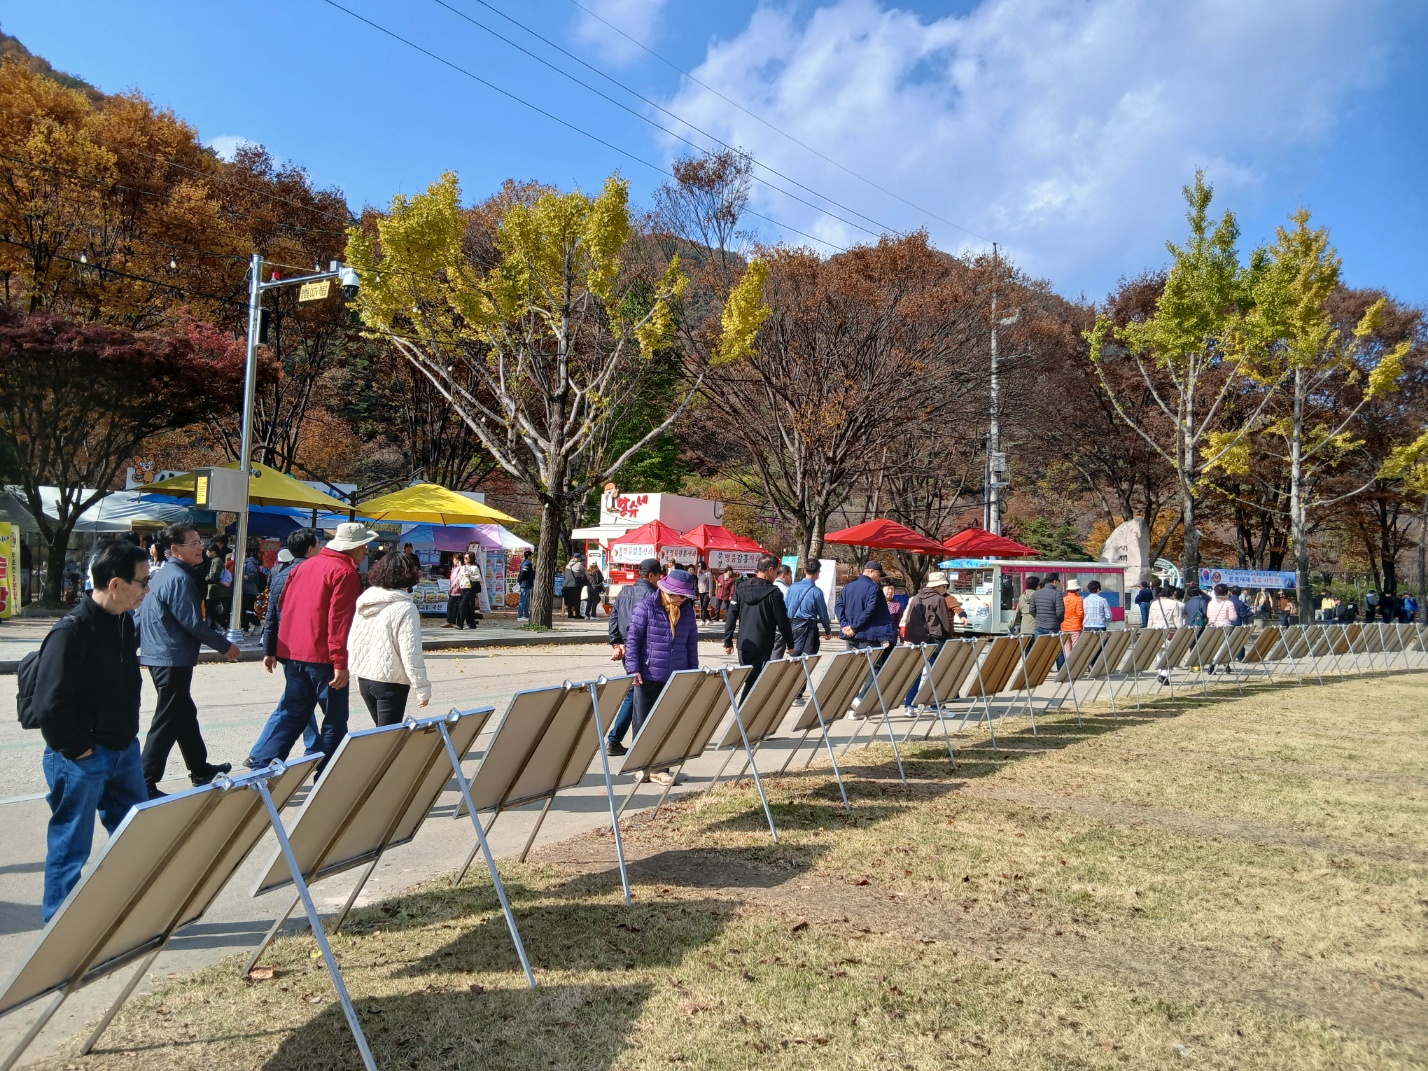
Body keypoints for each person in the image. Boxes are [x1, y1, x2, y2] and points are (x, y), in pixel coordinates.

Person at [33, 541, 151, 922]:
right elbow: (49, 705)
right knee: (70, 849)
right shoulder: (71, 631)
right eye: (143, 581)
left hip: (123, 751)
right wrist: (80, 749)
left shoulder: (123, 622)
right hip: (81, 757)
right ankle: (59, 931)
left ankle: (127, 918)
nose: (147, 589)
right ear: (115, 584)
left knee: (134, 839)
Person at [248, 521, 373, 773]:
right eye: (364, 545)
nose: (366, 550)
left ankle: (262, 766)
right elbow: (339, 622)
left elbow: (282, 606)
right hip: (323, 656)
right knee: (335, 718)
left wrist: (274, 648)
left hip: (294, 653)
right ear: (352, 546)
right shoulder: (344, 573)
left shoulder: (304, 566)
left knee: (293, 713)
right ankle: (327, 773)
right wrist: (341, 662)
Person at [137, 523, 239, 799]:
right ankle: (144, 781)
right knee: (168, 718)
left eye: (199, 542)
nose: (200, 547)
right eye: (193, 543)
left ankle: (199, 768)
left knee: (182, 712)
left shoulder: (164, 574)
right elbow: (192, 622)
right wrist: (225, 645)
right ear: (175, 549)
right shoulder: (179, 578)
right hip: (170, 657)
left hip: (163, 654)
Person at [246, 529, 323, 768]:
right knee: (295, 706)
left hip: (287, 648)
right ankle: (263, 754)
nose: (321, 548)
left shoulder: (280, 575)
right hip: (309, 649)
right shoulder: (314, 573)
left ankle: (263, 753)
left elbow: (271, 618)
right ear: (310, 549)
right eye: (318, 544)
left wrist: (269, 651)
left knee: (295, 703)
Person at [623, 568, 699, 785]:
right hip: (648, 675)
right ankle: (640, 767)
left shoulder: (686, 611)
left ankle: (660, 769)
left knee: (668, 724)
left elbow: (691, 644)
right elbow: (633, 640)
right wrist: (633, 669)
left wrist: (692, 672)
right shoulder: (646, 607)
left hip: (676, 676)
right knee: (643, 723)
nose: (683, 600)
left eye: (685, 597)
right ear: (668, 591)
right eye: (680, 596)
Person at [349, 552, 432, 726]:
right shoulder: (406, 608)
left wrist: (357, 674)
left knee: (381, 733)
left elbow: (355, 640)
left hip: (365, 678)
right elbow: (411, 652)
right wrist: (422, 688)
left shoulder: (365, 600)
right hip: (390, 682)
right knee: (388, 735)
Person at [605, 558, 662, 756]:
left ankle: (615, 740)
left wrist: (617, 642)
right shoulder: (653, 595)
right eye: (659, 576)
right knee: (642, 694)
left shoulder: (624, 591)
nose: (660, 579)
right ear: (652, 575)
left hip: (627, 649)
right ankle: (637, 744)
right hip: (645, 650)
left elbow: (613, 618)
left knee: (634, 691)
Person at [723, 554, 795, 700]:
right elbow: (782, 621)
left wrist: (728, 640)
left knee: (750, 679)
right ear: (770, 570)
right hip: (762, 644)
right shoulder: (774, 593)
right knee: (754, 683)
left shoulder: (741, 588)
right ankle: (744, 710)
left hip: (743, 644)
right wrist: (790, 643)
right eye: (776, 571)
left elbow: (731, 615)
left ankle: (745, 710)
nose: (776, 575)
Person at [834, 561, 897, 687]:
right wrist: (854, 627)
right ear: (871, 571)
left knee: (852, 667)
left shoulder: (848, 587)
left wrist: (845, 625)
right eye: (879, 575)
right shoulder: (874, 588)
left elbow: (839, 606)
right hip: (868, 634)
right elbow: (869, 611)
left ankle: (849, 694)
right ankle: (864, 695)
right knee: (874, 666)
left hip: (850, 635)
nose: (879, 578)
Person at [901, 571, 954, 711]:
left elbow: (910, 620)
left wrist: (909, 638)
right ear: (940, 586)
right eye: (944, 586)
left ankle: (910, 705)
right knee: (937, 672)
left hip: (916, 639)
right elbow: (945, 622)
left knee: (916, 672)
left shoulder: (916, 598)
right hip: (935, 639)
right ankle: (935, 704)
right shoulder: (938, 599)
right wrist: (949, 638)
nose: (944, 589)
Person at [1033, 572, 1066, 667]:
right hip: (1053, 626)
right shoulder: (1057, 594)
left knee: (1039, 650)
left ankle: (1039, 671)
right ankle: (1061, 671)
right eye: (1058, 581)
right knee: (1058, 650)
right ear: (1055, 581)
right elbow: (1060, 612)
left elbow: (1032, 610)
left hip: (1039, 626)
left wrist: (1039, 618)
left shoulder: (1036, 594)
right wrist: (1058, 621)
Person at [771, 564, 794, 659]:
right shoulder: (787, 591)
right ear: (784, 575)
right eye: (790, 575)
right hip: (780, 629)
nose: (791, 578)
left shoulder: (770, 587)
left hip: (767, 628)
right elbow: (790, 612)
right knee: (775, 657)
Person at [204, 543, 229, 629]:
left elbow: (214, 575)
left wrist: (205, 578)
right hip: (215, 589)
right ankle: (214, 626)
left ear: (213, 552)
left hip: (216, 589)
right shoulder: (215, 560)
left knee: (210, 609)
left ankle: (223, 624)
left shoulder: (217, 561)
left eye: (208, 551)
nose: (206, 553)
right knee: (210, 609)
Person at [240, 541, 263, 632]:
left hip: (250, 591)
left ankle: (257, 624)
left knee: (248, 610)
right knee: (244, 610)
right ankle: (245, 627)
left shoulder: (250, 563)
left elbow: (251, 577)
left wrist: (239, 576)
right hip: (246, 590)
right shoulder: (246, 563)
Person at [1061, 578, 1086, 661]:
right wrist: (1081, 622)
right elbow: (1080, 613)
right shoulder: (1078, 599)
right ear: (1077, 589)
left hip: (1064, 627)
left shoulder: (1064, 599)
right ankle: (1075, 664)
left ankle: (1068, 664)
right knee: (1076, 648)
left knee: (1067, 649)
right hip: (1075, 627)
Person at [457, 551, 483, 628]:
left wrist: (471, 577)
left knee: (463, 605)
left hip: (471, 588)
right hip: (463, 587)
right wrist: (454, 585)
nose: (464, 559)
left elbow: (479, 578)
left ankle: (460, 624)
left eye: (466, 558)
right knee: (467, 606)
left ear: (471, 559)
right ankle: (471, 623)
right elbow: (459, 577)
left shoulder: (475, 567)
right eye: (464, 558)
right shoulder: (463, 567)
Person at [516, 549, 535, 620]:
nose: (532, 557)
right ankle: (520, 616)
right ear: (529, 556)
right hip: (525, 584)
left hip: (526, 584)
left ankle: (526, 615)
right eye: (531, 556)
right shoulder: (527, 564)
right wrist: (522, 581)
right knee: (523, 601)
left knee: (526, 601)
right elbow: (523, 573)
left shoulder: (526, 563)